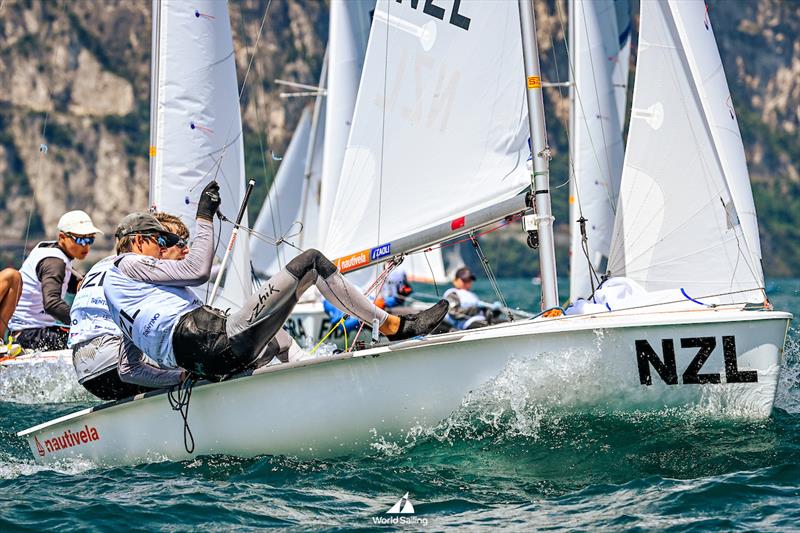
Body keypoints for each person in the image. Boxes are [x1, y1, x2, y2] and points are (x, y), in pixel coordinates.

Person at [103, 181, 449, 387]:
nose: (164, 248)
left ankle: (304, 376)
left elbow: (128, 368)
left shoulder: (122, 301)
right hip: (215, 342)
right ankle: (393, 327)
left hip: (207, 359)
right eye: (159, 241)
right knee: (311, 262)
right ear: (137, 241)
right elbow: (198, 270)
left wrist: (179, 378)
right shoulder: (129, 262)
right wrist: (204, 217)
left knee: (275, 335)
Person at [68, 212, 191, 400]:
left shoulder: (104, 264)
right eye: (174, 241)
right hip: (117, 365)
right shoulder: (143, 270)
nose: (185, 250)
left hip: (86, 373)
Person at [8, 210, 102, 350]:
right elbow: (51, 303)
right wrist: (83, 322)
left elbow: (68, 282)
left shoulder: (50, 250)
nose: (86, 246)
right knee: (94, 342)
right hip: (30, 335)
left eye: (90, 240)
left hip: (26, 331)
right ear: (62, 237)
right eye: (80, 239)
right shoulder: (54, 262)